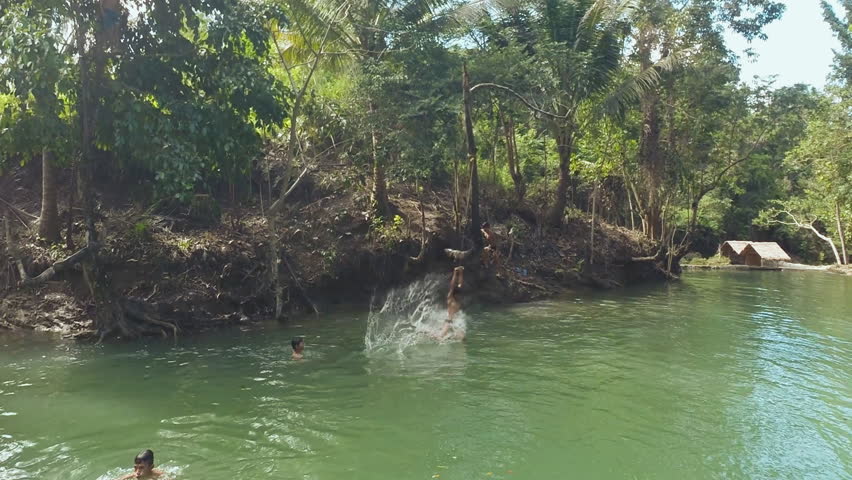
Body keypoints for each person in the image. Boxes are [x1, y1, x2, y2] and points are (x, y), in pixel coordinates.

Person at [438, 266, 465, 341]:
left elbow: (459, 285)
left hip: (454, 323)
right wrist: (455, 273)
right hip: (449, 322)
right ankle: (426, 333)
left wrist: (460, 272)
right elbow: (452, 286)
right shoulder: (451, 299)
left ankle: (449, 336)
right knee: (439, 338)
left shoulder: (457, 300)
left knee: (462, 339)